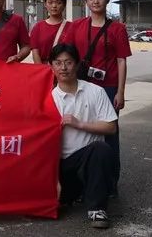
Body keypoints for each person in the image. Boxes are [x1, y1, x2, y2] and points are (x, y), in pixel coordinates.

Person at [66, 0, 132, 194]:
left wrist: (121, 92)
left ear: (107, 0)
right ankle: (82, 183)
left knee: (109, 135)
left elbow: (121, 61)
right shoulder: (76, 26)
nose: (95, 1)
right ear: (86, 1)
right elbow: (67, 54)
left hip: (108, 88)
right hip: (81, 87)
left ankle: (110, 184)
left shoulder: (117, 29)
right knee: (80, 133)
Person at [49, 43, 118, 229]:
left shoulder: (95, 91)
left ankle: (97, 209)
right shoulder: (48, 98)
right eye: (58, 63)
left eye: (68, 62)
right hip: (62, 166)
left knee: (101, 149)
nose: (63, 68)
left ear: (77, 64)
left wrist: (79, 124)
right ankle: (69, 195)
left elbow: (111, 127)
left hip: (89, 161)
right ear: (51, 66)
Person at [30, 0, 72, 64]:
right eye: (50, 2)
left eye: (58, 3)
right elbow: (35, 53)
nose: (54, 6)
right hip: (44, 68)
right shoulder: (38, 27)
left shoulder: (72, 27)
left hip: (64, 68)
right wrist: (42, 70)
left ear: (64, 5)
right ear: (45, 4)